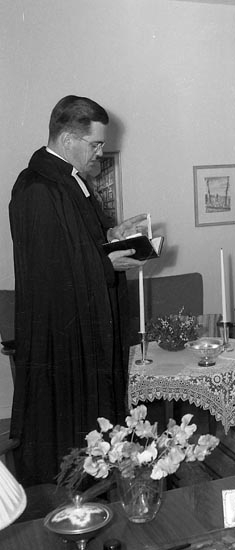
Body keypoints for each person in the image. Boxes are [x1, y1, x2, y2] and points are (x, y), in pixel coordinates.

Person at [9, 95, 147, 486]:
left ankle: (98, 486)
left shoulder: (70, 182)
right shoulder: (37, 187)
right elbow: (48, 270)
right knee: (67, 429)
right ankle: (70, 496)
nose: (100, 153)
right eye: (95, 144)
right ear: (69, 139)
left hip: (83, 329)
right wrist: (106, 264)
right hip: (61, 337)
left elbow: (77, 246)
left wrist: (112, 235)